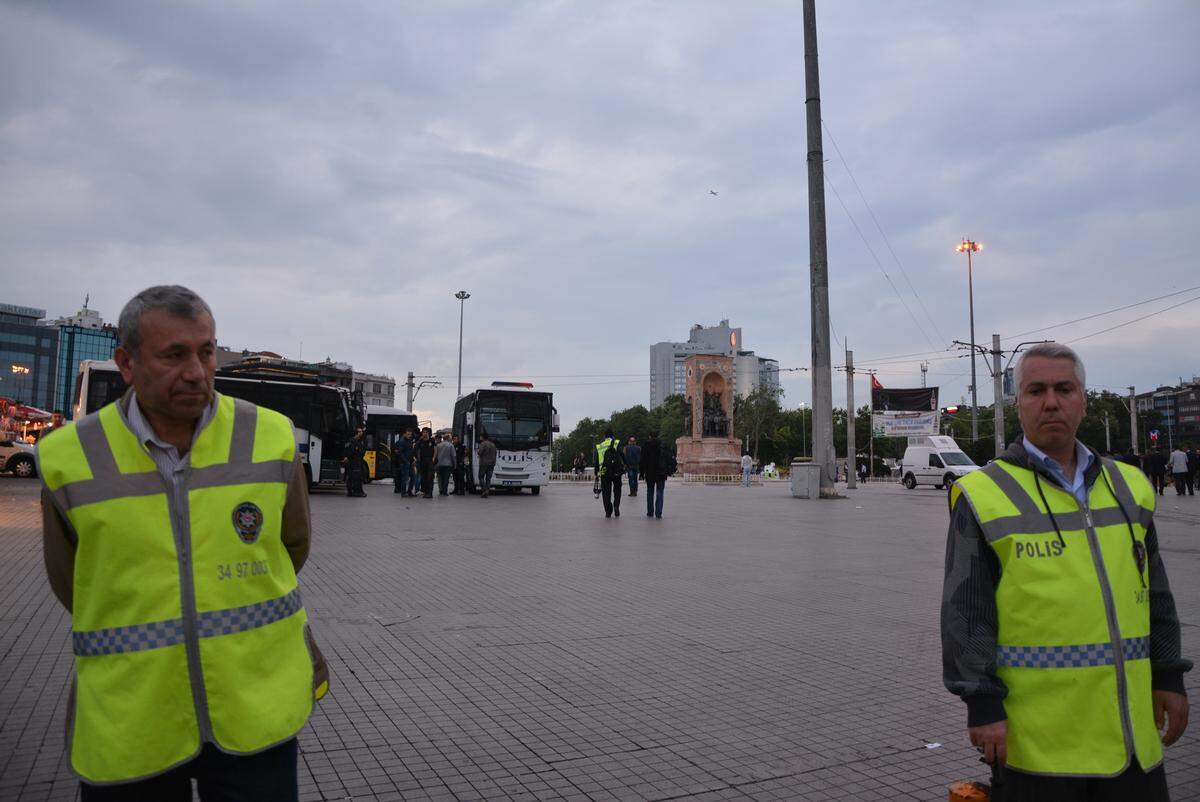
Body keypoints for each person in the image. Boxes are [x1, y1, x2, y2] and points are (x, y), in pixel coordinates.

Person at [38, 285, 327, 800]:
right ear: (126, 362)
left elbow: (292, 546)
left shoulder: (270, 436)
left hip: (252, 708)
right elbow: (73, 581)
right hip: (134, 720)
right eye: (174, 355)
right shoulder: (68, 456)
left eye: (207, 351)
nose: (196, 371)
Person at [941, 342, 1189, 800]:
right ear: (1018, 403)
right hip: (1041, 750)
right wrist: (982, 704)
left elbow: (1155, 592)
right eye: (1036, 390)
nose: (1051, 401)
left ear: (1083, 400)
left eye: (1064, 388)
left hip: (1133, 740)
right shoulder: (982, 494)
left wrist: (1169, 674)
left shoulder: (1129, 487)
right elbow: (966, 612)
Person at [639, 434, 674, 519]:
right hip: (661, 473)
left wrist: (642, 473)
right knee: (660, 492)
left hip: (650, 473)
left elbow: (642, 460)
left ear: (650, 436)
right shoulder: (663, 445)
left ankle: (650, 512)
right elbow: (669, 458)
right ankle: (658, 513)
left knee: (650, 492)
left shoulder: (646, 446)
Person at [595, 429, 623, 518]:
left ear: (605, 436)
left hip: (604, 472)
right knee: (617, 490)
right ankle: (616, 505)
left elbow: (596, 460)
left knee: (606, 492)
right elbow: (622, 455)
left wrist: (596, 472)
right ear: (612, 436)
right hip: (616, 471)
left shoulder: (600, 446)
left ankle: (608, 511)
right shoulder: (616, 443)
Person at [477, 431, 498, 497]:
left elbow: (480, 452)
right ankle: (487, 491)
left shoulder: (483, 444)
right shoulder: (493, 444)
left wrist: (478, 451)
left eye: (480, 436)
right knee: (488, 478)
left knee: (481, 477)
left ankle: (484, 490)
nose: (480, 438)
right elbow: (495, 453)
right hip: (492, 463)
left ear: (483, 437)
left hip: (484, 463)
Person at [394, 429, 414, 496]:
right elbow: (400, 453)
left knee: (412, 476)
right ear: (404, 434)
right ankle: (403, 492)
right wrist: (405, 461)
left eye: (410, 434)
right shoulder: (402, 441)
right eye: (408, 434)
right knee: (405, 478)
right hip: (405, 462)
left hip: (410, 462)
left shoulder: (409, 441)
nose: (409, 435)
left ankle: (409, 491)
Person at [416, 427, 435, 499]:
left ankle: (430, 493)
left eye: (426, 432)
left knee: (430, 477)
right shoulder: (420, 441)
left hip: (430, 461)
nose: (425, 433)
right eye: (423, 432)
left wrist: (433, 458)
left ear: (428, 433)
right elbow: (417, 450)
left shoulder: (432, 440)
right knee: (423, 477)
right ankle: (425, 492)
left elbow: (435, 449)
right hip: (422, 461)